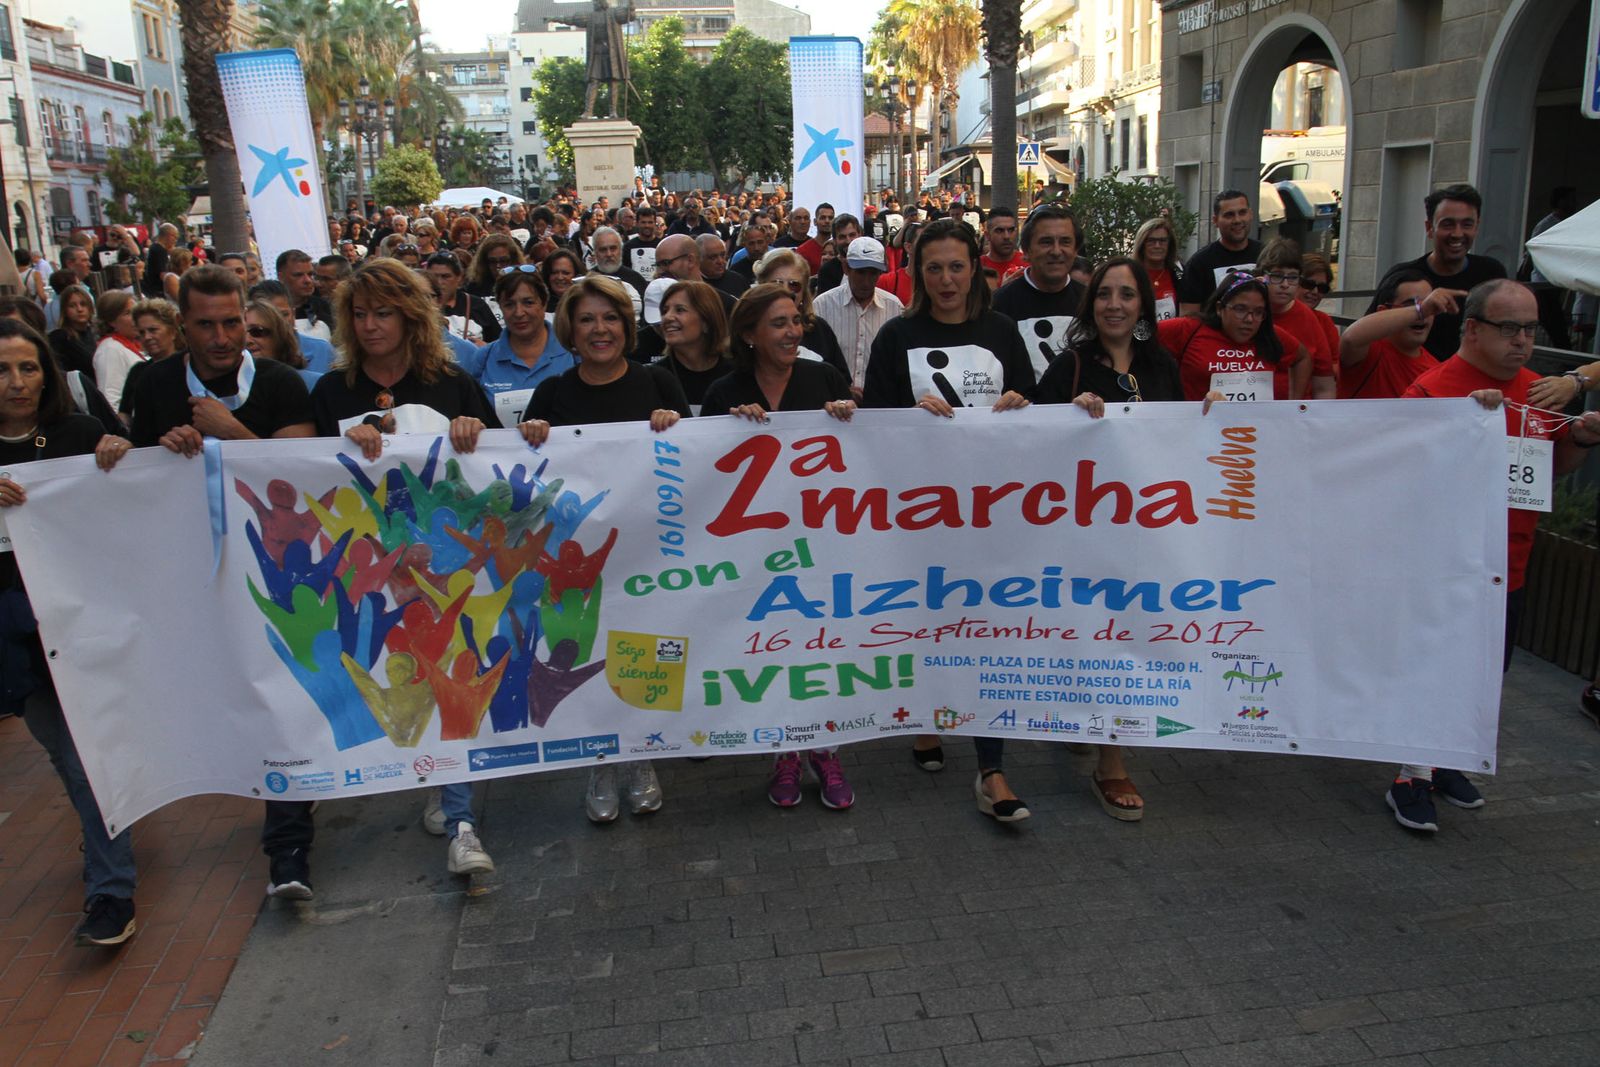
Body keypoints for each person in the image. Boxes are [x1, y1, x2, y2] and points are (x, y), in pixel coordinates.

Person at [122, 266, 327, 897]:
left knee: (279, 695)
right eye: (206, 325)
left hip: (278, 569)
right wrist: (152, 447)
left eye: (232, 322)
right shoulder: (153, 382)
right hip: (196, 566)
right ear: (182, 325)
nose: (221, 337)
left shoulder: (280, 382)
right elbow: (135, 474)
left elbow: (298, 472)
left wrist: (228, 433)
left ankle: (287, 848)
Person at [309, 259, 502, 876]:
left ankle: (462, 816)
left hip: (445, 567)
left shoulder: (451, 383)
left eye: (383, 312)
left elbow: (498, 465)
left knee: (448, 669)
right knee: (405, 678)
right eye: (359, 313)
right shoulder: (331, 393)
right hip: (366, 571)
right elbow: (307, 478)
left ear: (411, 315)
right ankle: (442, 786)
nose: (370, 325)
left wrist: (475, 429)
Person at [1388, 279, 1600, 830]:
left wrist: (1579, 438)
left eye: (1530, 329)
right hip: (1443, 567)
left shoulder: (1538, 393)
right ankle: (1409, 774)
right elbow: (1403, 481)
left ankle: (1444, 761)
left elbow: (1554, 471)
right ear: (1474, 329)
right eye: (1510, 328)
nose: (1523, 341)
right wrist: (1463, 429)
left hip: (1511, 564)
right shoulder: (1432, 392)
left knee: (1486, 673)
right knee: (1433, 669)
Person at [1032, 259, 1224, 820]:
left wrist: (1204, 420)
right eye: (1104, 295)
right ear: (1090, 306)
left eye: (1127, 294)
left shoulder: (1162, 365)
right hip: (1079, 530)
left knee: (1125, 634)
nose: (1114, 304)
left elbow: (1177, 443)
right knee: (1087, 633)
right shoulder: (1067, 366)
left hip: (1145, 531)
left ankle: (1108, 753)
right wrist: (1066, 416)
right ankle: (1094, 737)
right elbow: (1027, 444)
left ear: (1144, 304)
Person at [862, 217, 1036, 820]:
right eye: (932, 267)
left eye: (956, 266)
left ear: (975, 266)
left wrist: (1021, 405)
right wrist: (906, 416)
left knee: (986, 626)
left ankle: (992, 769)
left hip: (991, 512)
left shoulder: (1002, 332)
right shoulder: (894, 338)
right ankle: (928, 716)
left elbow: (1033, 416)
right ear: (915, 273)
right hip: (919, 514)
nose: (945, 279)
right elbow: (873, 430)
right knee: (928, 620)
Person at [518, 275, 688, 824]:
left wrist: (676, 427)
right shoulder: (551, 396)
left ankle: (642, 753)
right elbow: (530, 481)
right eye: (587, 319)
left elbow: (694, 461)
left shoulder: (658, 384)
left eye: (610, 318)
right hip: (579, 561)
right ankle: (600, 756)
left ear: (627, 326)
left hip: (647, 553)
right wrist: (533, 435)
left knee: (647, 648)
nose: (599, 329)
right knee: (585, 655)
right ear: (570, 329)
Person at [0, 320, 138, 945]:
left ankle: (111, 894)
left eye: (29, 368)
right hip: (13, 639)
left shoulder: (78, 432)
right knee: (63, 753)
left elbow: (128, 506)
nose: (17, 382)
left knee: (85, 763)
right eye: (3, 370)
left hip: (78, 622)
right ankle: (108, 821)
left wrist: (118, 456)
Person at [697, 284, 857, 808]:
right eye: (778, 324)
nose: (792, 333)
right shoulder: (726, 392)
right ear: (749, 334)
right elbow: (704, 473)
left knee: (823, 648)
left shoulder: (824, 379)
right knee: (775, 650)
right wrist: (726, 430)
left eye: (796, 322)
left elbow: (866, 453)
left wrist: (849, 417)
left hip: (822, 543)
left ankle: (826, 750)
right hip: (757, 551)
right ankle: (785, 751)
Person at [1371, 184, 1507, 361]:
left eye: (1467, 224)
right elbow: (1368, 334)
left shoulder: (1491, 273)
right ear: (1429, 228)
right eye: (1448, 224)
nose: (1457, 234)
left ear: (1477, 227)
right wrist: (1420, 310)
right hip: (1415, 381)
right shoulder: (1404, 277)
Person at [1158, 271, 1308, 403]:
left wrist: (1294, 404)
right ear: (1219, 308)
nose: (1249, 319)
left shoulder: (1269, 334)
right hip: (1199, 428)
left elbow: (1302, 357)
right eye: (1240, 309)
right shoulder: (1191, 328)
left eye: (1258, 312)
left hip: (1257, 430)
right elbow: (1141, 336)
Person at [460, 266, 575, 424]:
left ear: (544, 303)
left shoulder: (573, 352)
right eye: (509, 304)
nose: (519, 312)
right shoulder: (482, 358)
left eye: (528, 302)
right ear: (500, 307)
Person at [990, 204, 1087, 382]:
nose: (1057, 251)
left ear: (1076, 250)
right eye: (1046, 242)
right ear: (1026, 251)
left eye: (1065, 242)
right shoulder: (999, 304)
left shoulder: (1091, 302)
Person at [1338, 271, 1462, 399]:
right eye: (1410, 306)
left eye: (1431, 306)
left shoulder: (1435, 369)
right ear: (1383, 311)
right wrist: (1420, 310)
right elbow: (1350, 339)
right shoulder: (1370, 350)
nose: (1424, 314)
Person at [813, 237, 902, 399]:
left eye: (873, 273)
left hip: (878, 404)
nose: (866, 281)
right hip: (833, 404)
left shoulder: (894, 307)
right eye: (860, 273)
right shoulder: (822, 306)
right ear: (846, 268)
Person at [751, 250, 850, 378]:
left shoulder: (818, 328)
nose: (785, 290)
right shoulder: (750, 327)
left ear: (803, 293)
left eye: (794, 285)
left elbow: (840, 380)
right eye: (776, 283)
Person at [1257, 240, 1336, 399]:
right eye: (1277, 276)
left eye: (1292, 277)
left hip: (1295, 414)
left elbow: (1324, 385)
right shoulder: (1246, 311)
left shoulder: (1308, 318)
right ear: (1262, 276)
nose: (1285, 284)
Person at [651, 279, 731, 415]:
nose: (668, 317)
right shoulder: (652, 379)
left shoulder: (738, 376)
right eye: (665, 311)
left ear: (706, 321)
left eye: (680, 310)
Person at [1178, 190, 1262, 315]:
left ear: (1251, 214)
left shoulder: (1265, 255)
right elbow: (1189, 318)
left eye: (1242, 212)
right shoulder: (1199, 263)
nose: (1237, 220)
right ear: (1215, 220)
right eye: (1229, 215)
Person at [1525, 186, 1576, 350]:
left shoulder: (1566, 223)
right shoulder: (1546, 225)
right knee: (1554, 324)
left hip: (1556, 283)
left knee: (1556, 324)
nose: (1574, 203)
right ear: (1560, 201)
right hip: (1544, 283)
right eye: (1570, 199)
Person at [427, 252, 501, 345]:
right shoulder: (420, 306)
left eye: (445, 276)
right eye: (434, 276)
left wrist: (486, 348)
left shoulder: (476, 305)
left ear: (459, 278)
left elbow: (499, 343)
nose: (439, 282)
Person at [91, 291, 145, 411]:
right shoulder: (110, 350)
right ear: (111, 321)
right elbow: (110, 399)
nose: (135, 318)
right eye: (127, 313)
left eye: (136, 311)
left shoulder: (131, 344)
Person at [245, 299, 319, 387]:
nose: (247, 340)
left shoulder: (315, 384)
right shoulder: (232, 393)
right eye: (241, 334)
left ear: (278, 335)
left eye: (256, 331)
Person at [277, 250, 334, 341]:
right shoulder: (271, 310)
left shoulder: (324, 306)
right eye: (298, 275)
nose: (307, 280)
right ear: (281, 277)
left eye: (310, 274)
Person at [1132, 217, 1182, 321]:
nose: (1157, 246)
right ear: (1142, 244)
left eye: (1163, 241)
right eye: (1151, 241)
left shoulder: (1180, 274)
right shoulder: (1130, 274)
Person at [48, 284, 98, 380]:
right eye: (72, 306)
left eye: (83, 304)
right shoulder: (60, 338)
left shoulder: (95, 334)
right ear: (65, 310)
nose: (79, 309)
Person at [814, 214, 863, 295]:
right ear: (834, 240)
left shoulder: (870, 264)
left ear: (860, 235)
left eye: (852, 235)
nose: (848, 241)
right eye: (842, 237)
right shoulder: (827, 271)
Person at [979, 208, 1025, 289]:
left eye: (1011, 230)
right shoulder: (977, 268)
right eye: (999, 231)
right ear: (987, 235)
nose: (1006, 236)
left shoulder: (1029, 264)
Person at [698, 234, 748, 299]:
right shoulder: (693, 287)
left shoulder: (739, 280)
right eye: (713, 257)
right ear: (698, 259)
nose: (720, 261)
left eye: (722, 255)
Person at [141, 222, 179, 298]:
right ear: (168, 235)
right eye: (174, 236)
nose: (175, 240)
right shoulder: (159, 250)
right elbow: (162, 274)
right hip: (158, 291)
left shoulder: (155, 247)